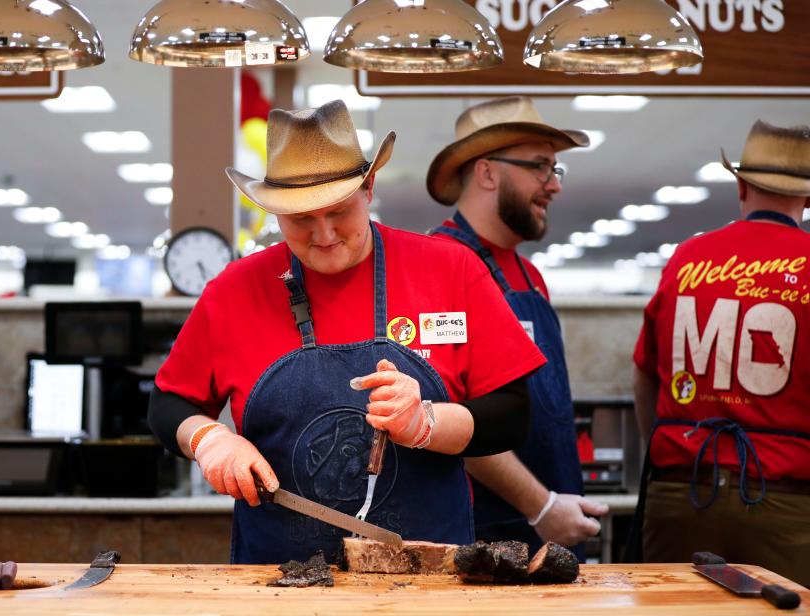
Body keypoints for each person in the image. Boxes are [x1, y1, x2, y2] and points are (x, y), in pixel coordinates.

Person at [148, 100, 546, 565]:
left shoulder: (450, 269)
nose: (323, 235)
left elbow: (512, 414)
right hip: (277, 583)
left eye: (339, 211)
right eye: (300, 219)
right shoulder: (234, 291)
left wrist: (427, 424)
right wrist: (209, 439)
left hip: (428, 584)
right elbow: (168, 404)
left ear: (369, 188)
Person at [426, 96, 608, 559]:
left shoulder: (531, 276)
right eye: (541, 167)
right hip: (485, 536)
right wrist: (540, 505)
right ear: (487, 172)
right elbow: (446, 420)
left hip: (555, 524)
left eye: (556, 170)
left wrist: (555, 508)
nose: (554, 185)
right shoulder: (439, 267)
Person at [632, 120, 810, 586]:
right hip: (787, 502)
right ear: (807, 197)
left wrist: (664, 446)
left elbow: (645, 373)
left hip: (681, 492)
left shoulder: (688, 257)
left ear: (740, 184)